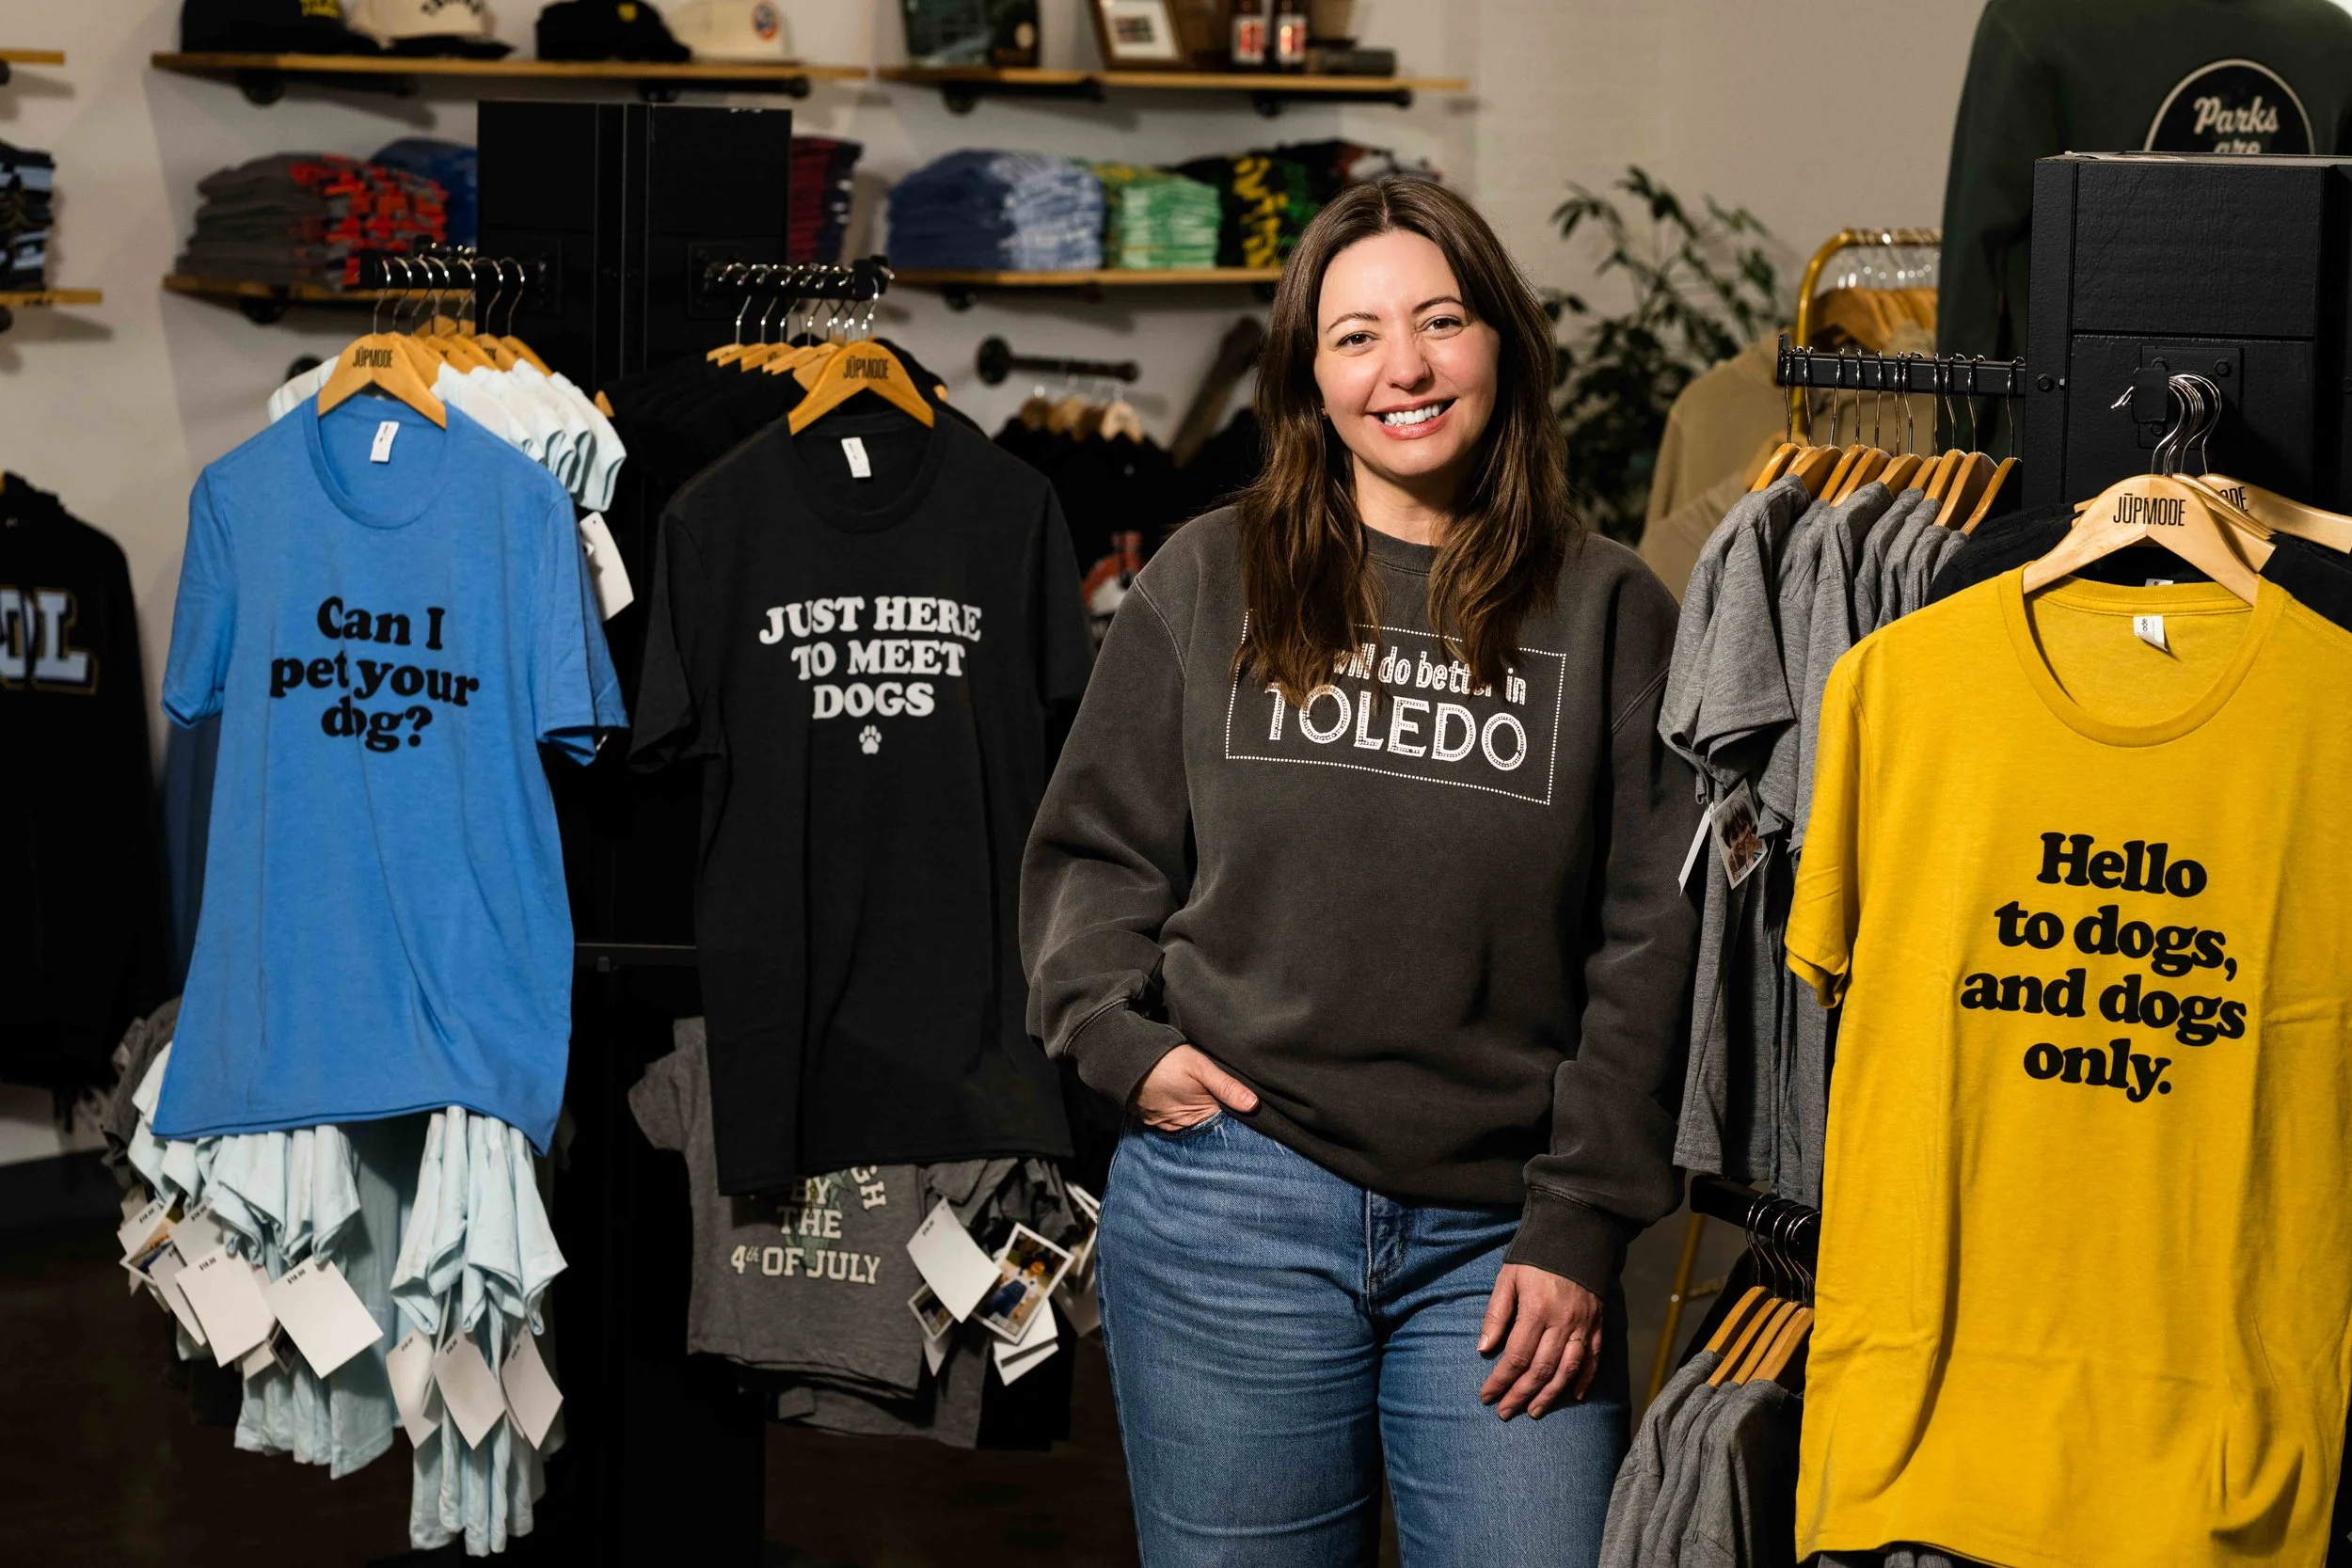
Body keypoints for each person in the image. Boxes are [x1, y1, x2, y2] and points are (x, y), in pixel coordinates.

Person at [1020, 177, 1700, 1566]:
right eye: (1356, 336)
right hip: (1235, 1202)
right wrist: (1115, 1037)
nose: (1404, 368)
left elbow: (1658, 935)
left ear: (1501, 342)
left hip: (1509, 1240)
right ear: (1309, 377)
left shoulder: (1612, 606)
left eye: (1440, 321)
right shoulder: (1212, 578)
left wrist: (1581, 1218)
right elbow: (1094, 850)